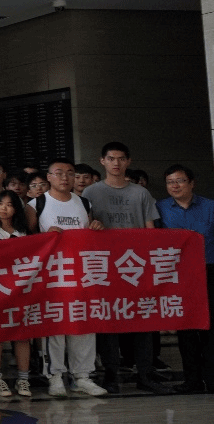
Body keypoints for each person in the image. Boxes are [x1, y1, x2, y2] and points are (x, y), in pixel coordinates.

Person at [82, 142, 167, 394]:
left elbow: (150, 230)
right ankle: (110, 374)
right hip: (105, 266)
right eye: (111, 158)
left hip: (136, 265)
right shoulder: (90, 192)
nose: (116, 163)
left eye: (121, 158)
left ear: (128, 161)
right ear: (102, 161)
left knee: (143, 320)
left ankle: (145, 374)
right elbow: (85, 228)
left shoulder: (141, 193)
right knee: (108, 322)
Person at [23, 157, 106, 397]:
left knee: (83, 324)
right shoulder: (37, 204)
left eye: (70, 173)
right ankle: (55, 376)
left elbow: (91, 235)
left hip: (81, 274)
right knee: (55, 326)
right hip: (52, 276)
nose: (64, 177)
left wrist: (97, 228)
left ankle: (82, 376)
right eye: (58, 173)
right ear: (48, 177)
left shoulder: (84, 203)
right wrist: (44, 236)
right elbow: (26, 241)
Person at [157, 164, 214, 394]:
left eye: (180, 181)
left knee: (210, 328)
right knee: (186, 329)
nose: (175, 186)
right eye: (170, 182)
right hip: (178, 274)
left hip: (209, 271)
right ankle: (192, 381)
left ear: (192, 183)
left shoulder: (210, 207)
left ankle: (212, 378)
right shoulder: (160, 208)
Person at [0, 190, 33, 397]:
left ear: (16, 209)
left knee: (22, 335)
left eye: (9, 205)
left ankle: (23, 379)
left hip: (21, 290)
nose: (4, 208)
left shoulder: (24, 232)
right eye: (0, 203)